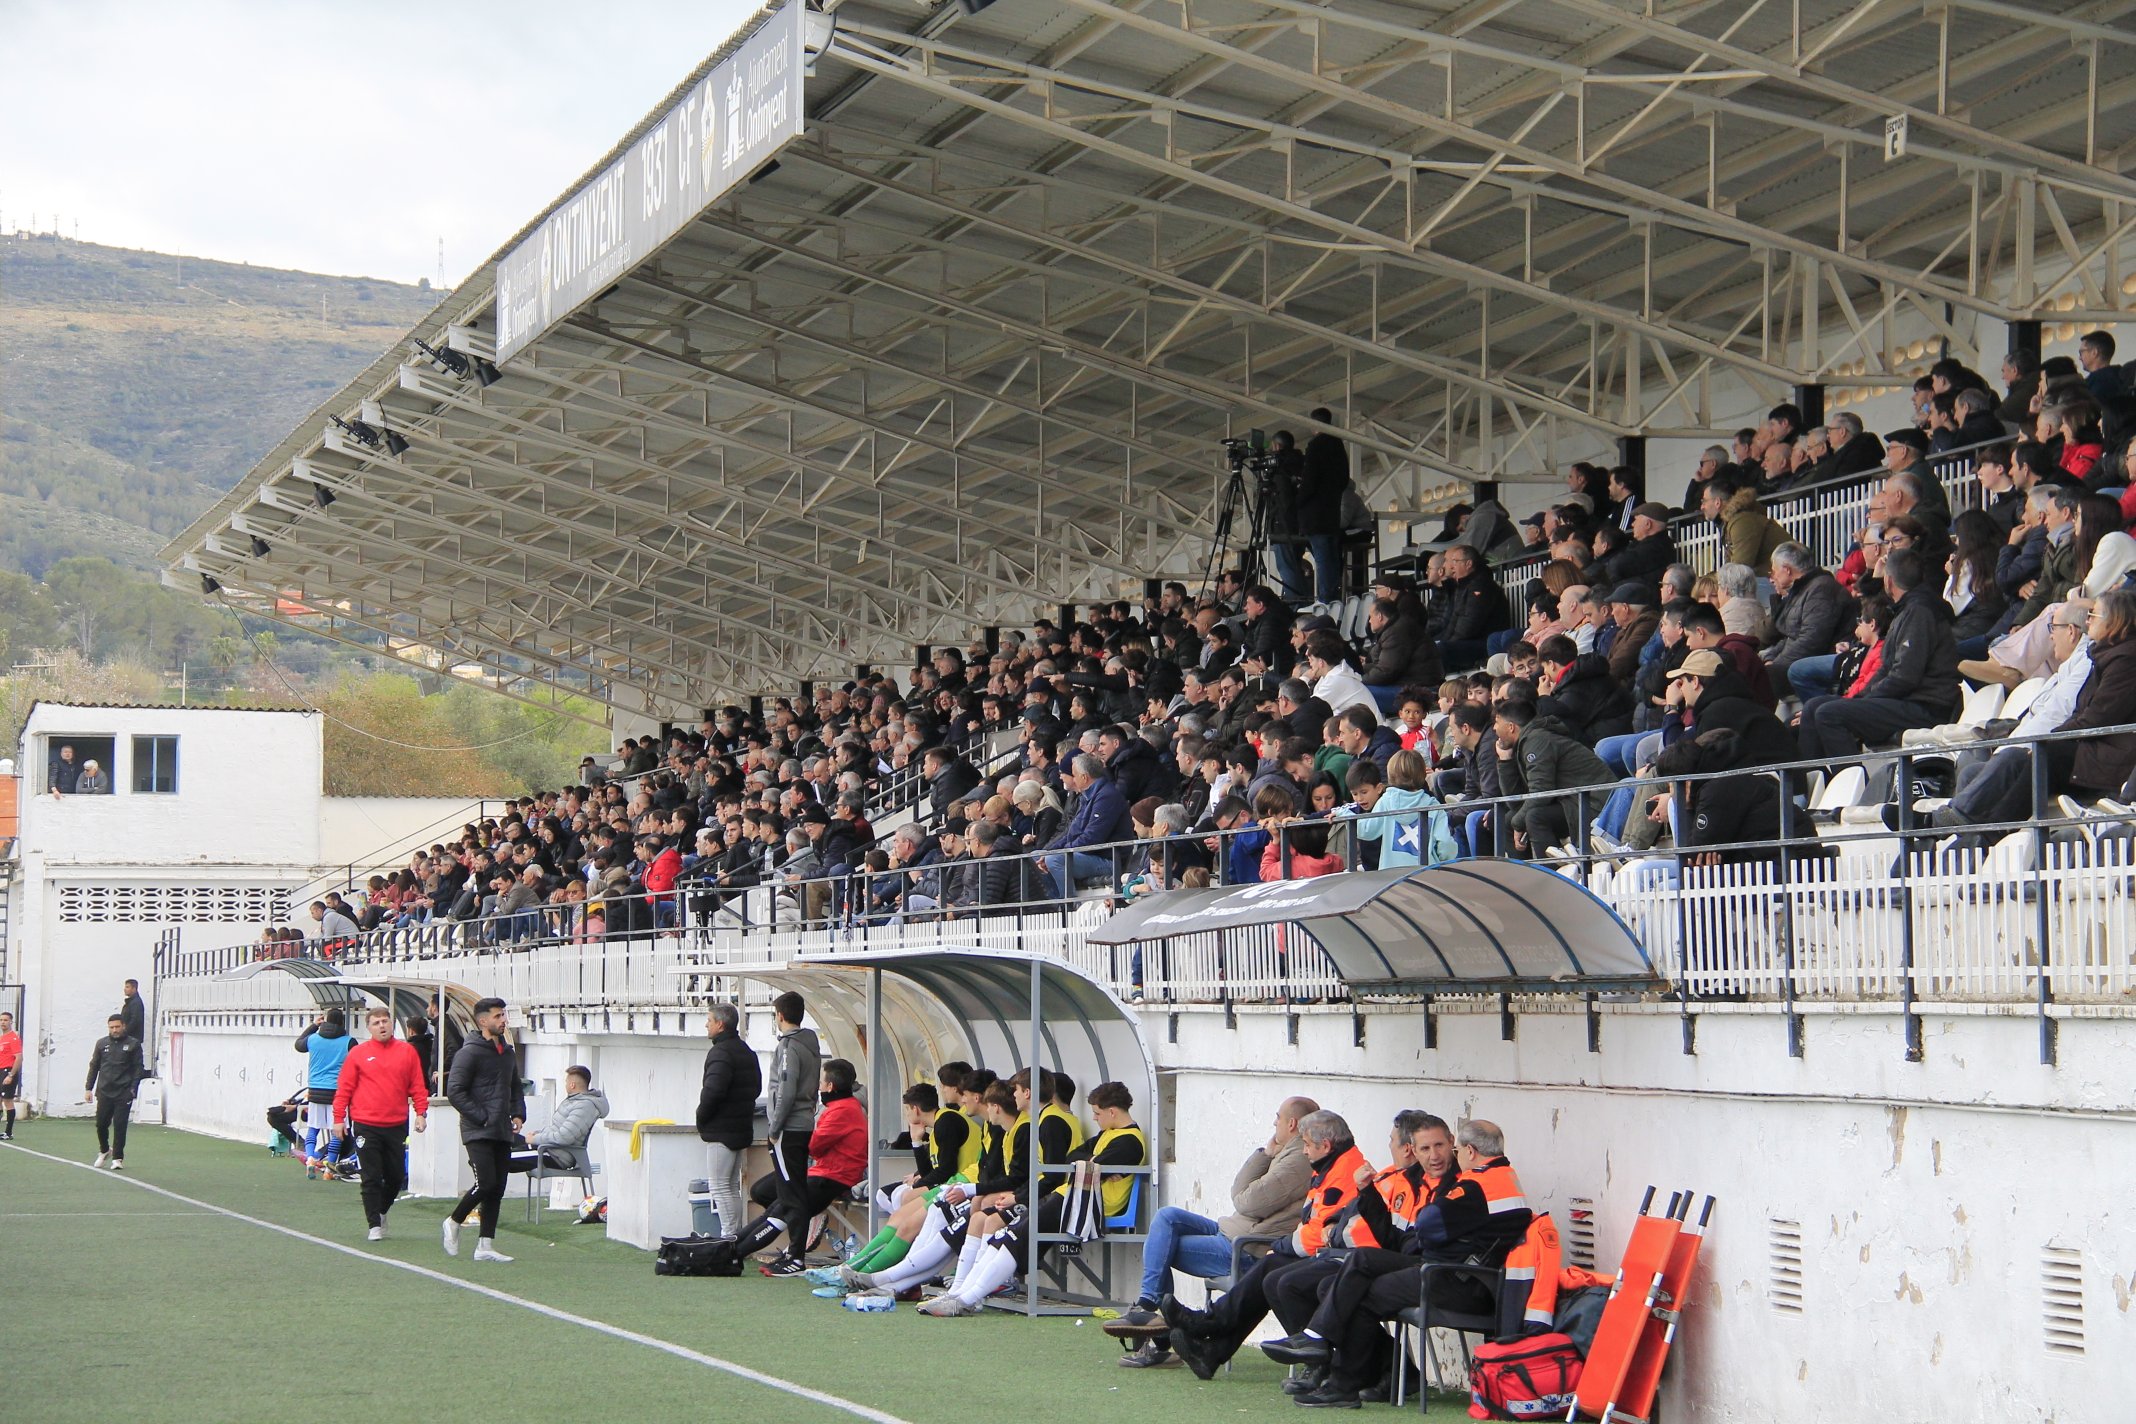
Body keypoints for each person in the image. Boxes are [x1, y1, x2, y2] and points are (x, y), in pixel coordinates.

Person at [1278, 1120, 1534, 1409]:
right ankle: (1365, 1364)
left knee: (1356, 1291)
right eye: (1425, 1148)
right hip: (1449, 1273)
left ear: (1467, 1150)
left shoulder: (1475, 1183)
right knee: (1337, 1283)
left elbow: (1427, 1227)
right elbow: (1404, 1238)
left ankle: (1340, 1378)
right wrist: (1370, 1196)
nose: (1437, 1154)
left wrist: (1432, 1235)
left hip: (1458, 1280)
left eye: (1446, 1147)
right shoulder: (1497, 1177)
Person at [1159, 1109, 1371, 1379]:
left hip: (1341, 1259)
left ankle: (1319, 1364)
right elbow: (1303, 1223)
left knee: (1277, 1276)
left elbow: (1310, 1231)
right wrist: (1265, 1154)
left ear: (1325, 1145)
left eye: (1306, 1144)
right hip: (1325, 1254)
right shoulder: (1332, 1167)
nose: (1304, 1152)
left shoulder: (1341, 1174)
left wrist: (1282, 1245)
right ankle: (1210, 1348)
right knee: (1271, 1267)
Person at [1115, 1095, 1320, 1365]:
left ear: (1292, 1123)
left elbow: (1245, 1200)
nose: (1274, 1123)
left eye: (1278, 1118)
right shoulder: (1286, 1152)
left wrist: (1267, 1159)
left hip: (1245, 1246)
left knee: (1160, 1247)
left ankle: (1156, 1331)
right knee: (1166, 1218)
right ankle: (1149, 1307)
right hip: (1230, 1230)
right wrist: (1264, 1154)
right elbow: (1244, 1195)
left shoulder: (1297, 1160)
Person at [1799, 548, 1960, 758]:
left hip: (1925, 705)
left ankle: (1854, 783)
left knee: (1829, 714)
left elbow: (1904, 677)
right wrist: (1860, 698)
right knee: (1814, 706)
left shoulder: (1920, 612)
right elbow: (1887, 668)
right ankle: (1810, 787)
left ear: (1889, 582)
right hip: (1909, 699)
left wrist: (1866, 700)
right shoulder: (1907, 610)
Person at [729, 1058, 868, 1275]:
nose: (818, 1086)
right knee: (762, 1192)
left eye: (821, 1082)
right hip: (820, 1171)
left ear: (830, 1086)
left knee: (786, 1206)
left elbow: (814, 1147)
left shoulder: (842, 1110)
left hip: (835, 1177)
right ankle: (733, 1247)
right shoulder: (836, 1107)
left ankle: (790, 1258)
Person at [332, 1006, 430, 1241]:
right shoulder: (358, 1054)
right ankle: (373, 1224)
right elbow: (344, 1088)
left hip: (395, 1123)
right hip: (365, 1123)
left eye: (385, 1021)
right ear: (369, 1027)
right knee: (371, 1175)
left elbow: (417, 1084)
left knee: (396, 1176)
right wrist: (338, 1119)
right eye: (376, 1023)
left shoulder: (406, 1052)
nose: (382, 1026)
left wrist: (420, 1113)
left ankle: (382, 1210)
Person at [443, 996, 526, 1264]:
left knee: (498, 1187)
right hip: (477, 1130)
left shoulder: (507, 1052)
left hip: (502, 1130)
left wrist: (517, 1113)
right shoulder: (468, 1052)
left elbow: (515, 1086)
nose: (503, 1020)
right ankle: (454, 1221)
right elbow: (455, 1091)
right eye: (498, 1016)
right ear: (483, 1021)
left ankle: (485, 1245)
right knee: (485, 1183)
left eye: (504, 1015)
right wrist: (482, 1117)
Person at [761, 990, 823, 1274]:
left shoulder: (788, 1048)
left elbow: (785, 1090)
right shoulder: (810, 1043)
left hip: (788, 1128)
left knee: (790, 1192)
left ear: (780, 1016)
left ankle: (796, 1255)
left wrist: (774, 1129)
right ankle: (794, 1249)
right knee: (792, 1188)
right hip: (803, 1123)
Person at [695, 1001, 762, 1239]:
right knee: (732, 1186)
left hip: (720, 1129)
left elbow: (712, 1092)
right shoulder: (746, 1051)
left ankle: (728, 1236)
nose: (706, 1024)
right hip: (741, 1126)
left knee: (720, 1186)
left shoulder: (720, 1053)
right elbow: (756, 1089)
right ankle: (735, 1234)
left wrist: (701, 1118)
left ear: (720, 1025)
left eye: (709, 1020)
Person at [513, 1065, 608, 1175]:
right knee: (505, 1139)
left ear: (572, 1085)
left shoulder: (584, 1106)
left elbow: (564, 1137)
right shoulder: (574, 1101)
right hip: (547, 1149)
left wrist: (534, 1139)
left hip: (555, 1156)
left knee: (502, 1158)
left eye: (566, 1082)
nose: (565, 1085)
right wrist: (538, 1134)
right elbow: (557, 1129)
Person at [295, 1009, 355, 1176]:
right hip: (338, 1093)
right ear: (342, 1022)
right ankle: (330, 1168)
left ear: (326, 1021)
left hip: (315, 1090)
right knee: (337, 1131)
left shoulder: (313, 1039)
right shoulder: (349, 1042)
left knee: (313, 1127)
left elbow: (298, 1044)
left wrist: (314, 1026)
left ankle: (310, 1159)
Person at [83, 1013, 144, 1170]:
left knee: (120, 1124)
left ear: (123, 1026)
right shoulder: (101, 1044)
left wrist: (133, 1089)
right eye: (112, 1027)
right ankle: (104, 1150)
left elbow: (138, 1068)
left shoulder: (133, 1044)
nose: (115, 1030)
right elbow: (94, 1065)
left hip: (124, 1091)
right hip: (104, 1090)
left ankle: (118, 1158)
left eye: (117, 1027)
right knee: (101, 1124)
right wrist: (88, 1088)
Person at [0, 1010, 21, 1139]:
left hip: (8, 1071)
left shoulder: (13, 1038)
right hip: (1, 1071)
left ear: (11, 1022)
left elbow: (19, 1058)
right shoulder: (2, 1038)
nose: (3, 1022)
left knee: (8, 1101)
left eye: (5, 1020)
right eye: (1, 1020)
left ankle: (9, 1132)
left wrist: (11, 1075)